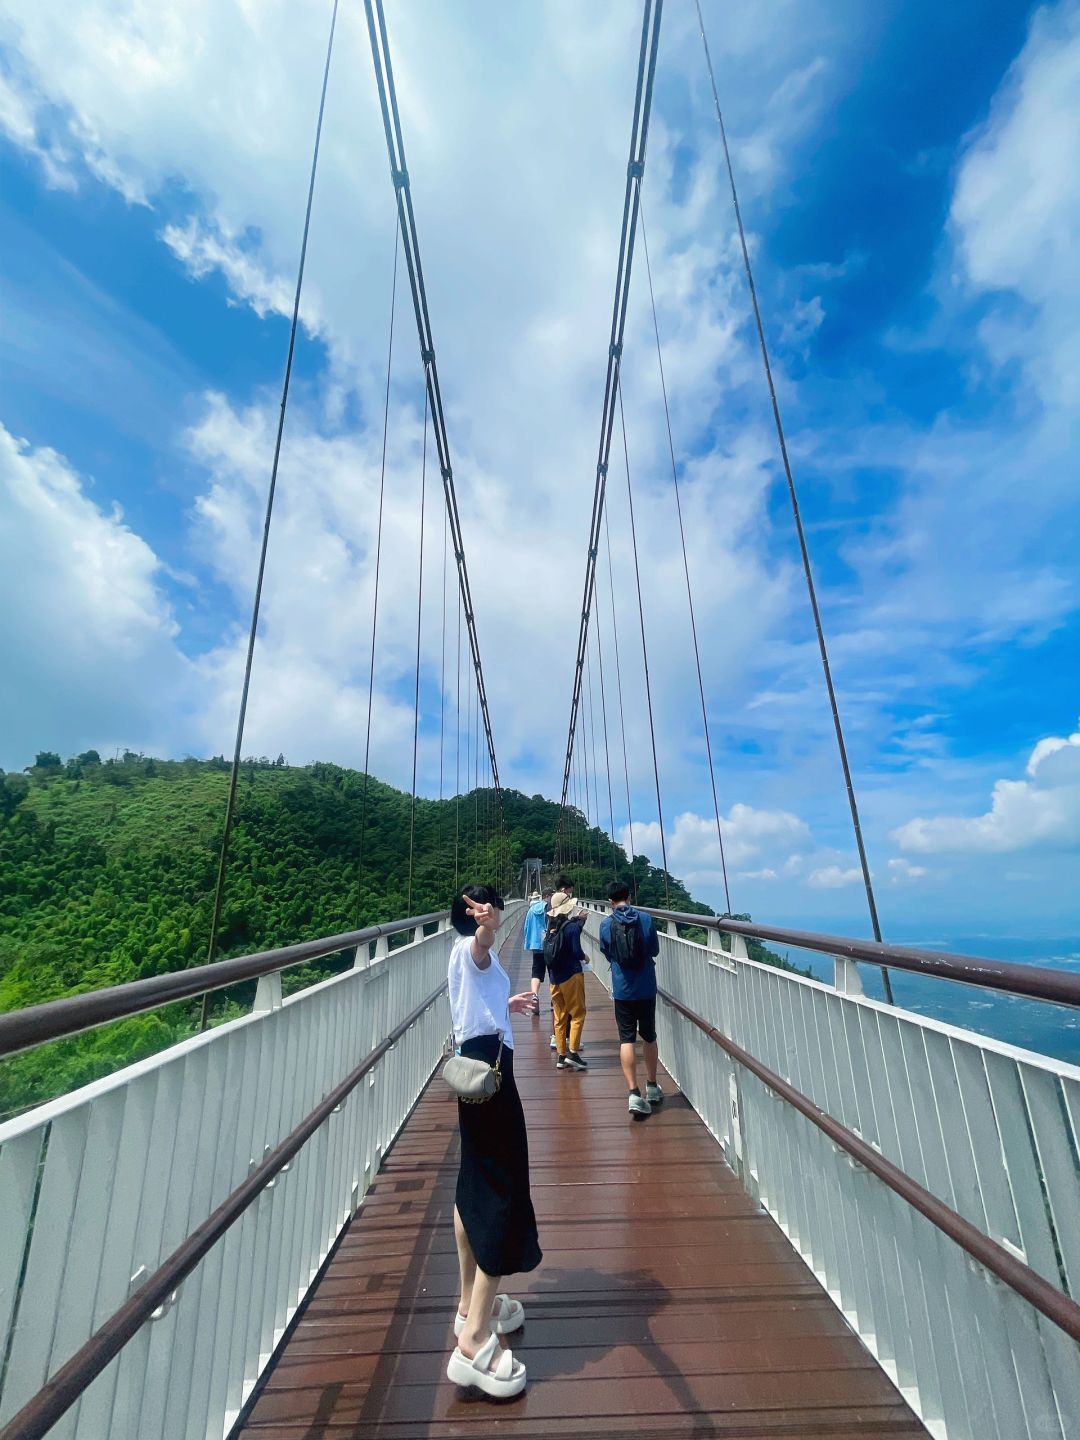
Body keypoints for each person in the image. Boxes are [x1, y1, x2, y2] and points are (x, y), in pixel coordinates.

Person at [445, 886, 541, 1398]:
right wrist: (485, 926)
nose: (496, 912)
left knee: (472, 1183)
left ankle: (467, 1304)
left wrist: (509, 1001)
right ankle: (475, 1340)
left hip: (474, 1069)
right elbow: (482, 944)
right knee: (503, 1193)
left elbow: (474, 1002)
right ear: (472, 914)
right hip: (493, 1078)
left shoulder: (460, 956)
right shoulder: (472, 947)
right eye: (486, 906)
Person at [598, 880, 662, 1116]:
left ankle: (634, 1094)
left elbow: (606, 951)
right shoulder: (645, 919)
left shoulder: (606, 924)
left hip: (623, 989)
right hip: (646, 987)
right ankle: (653, 1087)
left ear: (610, 902)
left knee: (626, 1039)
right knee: (649, 1036)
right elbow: (654, 950)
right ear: (630, 896)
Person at [544, 890, 588, 1071]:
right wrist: (585, 957)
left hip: (554, 979)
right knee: (578, 1014)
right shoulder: (571, 928)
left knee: (560, 1017)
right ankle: (573, 1053)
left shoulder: (550, 928)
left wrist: (579, 922)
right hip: (571, 975)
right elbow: (576, 952)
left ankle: (561, 1056)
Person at [523, 888, 552, 1017]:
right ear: (548, 896)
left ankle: (534, 996)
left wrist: (529, 942)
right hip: (550, 944)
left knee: (536, 972)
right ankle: (554, 1000)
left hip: (536, 945)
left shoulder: (531, 911)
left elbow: (526, 928)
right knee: (553, 971)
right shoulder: (550, 908)